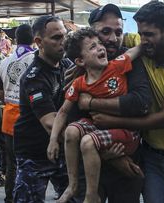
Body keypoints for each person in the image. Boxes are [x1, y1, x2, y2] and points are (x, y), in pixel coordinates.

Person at [87, 2, 164, 203]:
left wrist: (109, 119)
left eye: (149, 34)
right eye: (140, 35)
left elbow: (162, 118)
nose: (143, 40)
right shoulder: (144, 52)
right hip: (151, 157)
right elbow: (108, 40)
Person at [47, 28, 142, 203]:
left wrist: (147, 39)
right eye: (92, 47)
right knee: (71, 131)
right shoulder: (79, 83)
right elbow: (63, 112)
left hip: (127, 133)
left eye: (99, 44)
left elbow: (135, 50)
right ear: (80, 61)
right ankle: (73, 185)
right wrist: (53, 140)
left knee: (88, 141)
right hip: (101, 131)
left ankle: (91, 196)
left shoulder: (116, 66)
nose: (100, 48)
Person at [72, 3, 152, 203]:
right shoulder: (78, 63)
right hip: (91, 167)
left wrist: (92, 103)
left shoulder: (129, 60)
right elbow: (70, 113)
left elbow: (141, 103)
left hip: (127, 159)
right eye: (105, 32)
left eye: (118, 32)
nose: (112, 38)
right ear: (90, 33)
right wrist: (109, 154)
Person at [12, 16, 76, 203]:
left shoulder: (66, 64)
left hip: (61, 149)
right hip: (34, 152)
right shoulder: (34, 77)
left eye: (64, 36)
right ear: (39, 42)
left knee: (75, 197)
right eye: (56, 38)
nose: (63, 42)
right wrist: (88, 140)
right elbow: (50, 123)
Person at [0, 24, 34, 203]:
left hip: (9, 119)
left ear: (16, 40)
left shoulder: (4, 62)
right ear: (34, 39)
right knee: (31, 164)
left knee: (12, 165)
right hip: (31, 120)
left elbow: (1, 94)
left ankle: (9, 199)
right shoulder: (37, 59)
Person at [0, 30, 6, 188]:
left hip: (0, 107)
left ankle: (4, 172)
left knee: (2, 142)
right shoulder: (3, 59)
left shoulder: (1, 60)